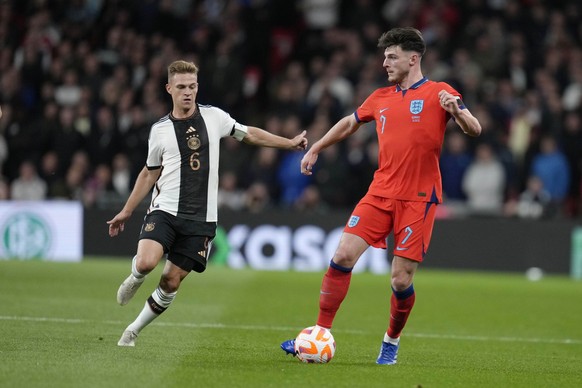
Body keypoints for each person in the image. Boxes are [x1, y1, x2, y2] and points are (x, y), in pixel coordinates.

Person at [280, 27, 481, 365]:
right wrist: (316, 147)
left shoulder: (440, 92)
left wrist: (458, 111)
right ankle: (319, 332)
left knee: (400, 279)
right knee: (343, 254)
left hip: (419, 198)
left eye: (392, 56)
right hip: (380, 192)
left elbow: (474, 129)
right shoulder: (380, 97)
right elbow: (348, 123)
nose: (384, 62)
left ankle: (391, 340)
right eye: (385, 56)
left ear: (413, 58)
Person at [107, 60, 307, 347]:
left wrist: (288, 143)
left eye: (192, 86)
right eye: (181, 87)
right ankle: (136, 275)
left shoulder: (214, 117)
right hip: (165, 209)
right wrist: (126, 211)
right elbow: (149, 172)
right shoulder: (160, 130)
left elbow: (249, 133)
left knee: (170, 282)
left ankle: (133, 330)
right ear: (169, 89)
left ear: (197, 86)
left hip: (201, 219)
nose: (187, 92)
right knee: (148, 262)